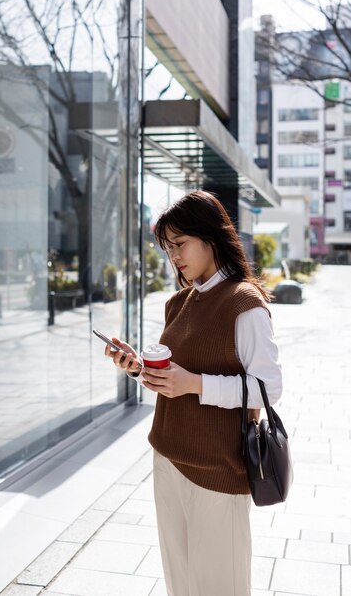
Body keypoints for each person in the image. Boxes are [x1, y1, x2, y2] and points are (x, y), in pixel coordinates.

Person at [104, 190, 282, 596]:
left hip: (217, 467)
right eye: (168, 248)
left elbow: (269, 389)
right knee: (180, 584)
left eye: (180, 244)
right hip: (167, 457)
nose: (174, 257)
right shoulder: (179, 302)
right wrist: (139, 369)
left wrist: (196, 384)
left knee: (221, 586)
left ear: (212, 238)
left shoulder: (244, 302)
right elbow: (176, 376)